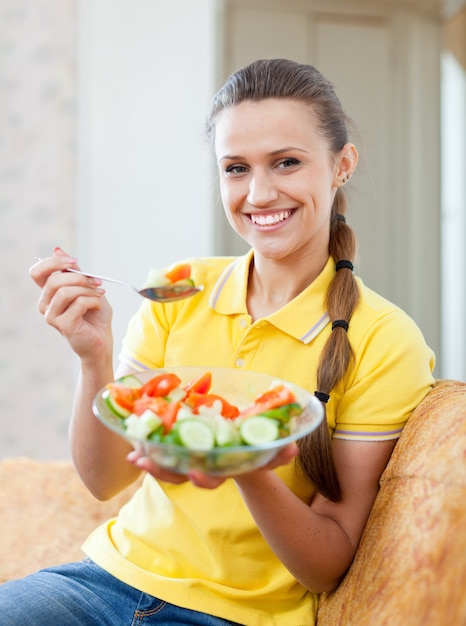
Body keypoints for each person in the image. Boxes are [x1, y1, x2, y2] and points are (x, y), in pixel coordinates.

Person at [3, 58, 434, 625]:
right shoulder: (177, 291)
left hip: (241, 615)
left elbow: (326, 564)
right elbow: (106, 478)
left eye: (286, 162)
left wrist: (246, 464)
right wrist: (93, 356)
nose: (258, 193)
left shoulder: (384, 340)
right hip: (107, 580)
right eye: (235, 168)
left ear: (341, 165)